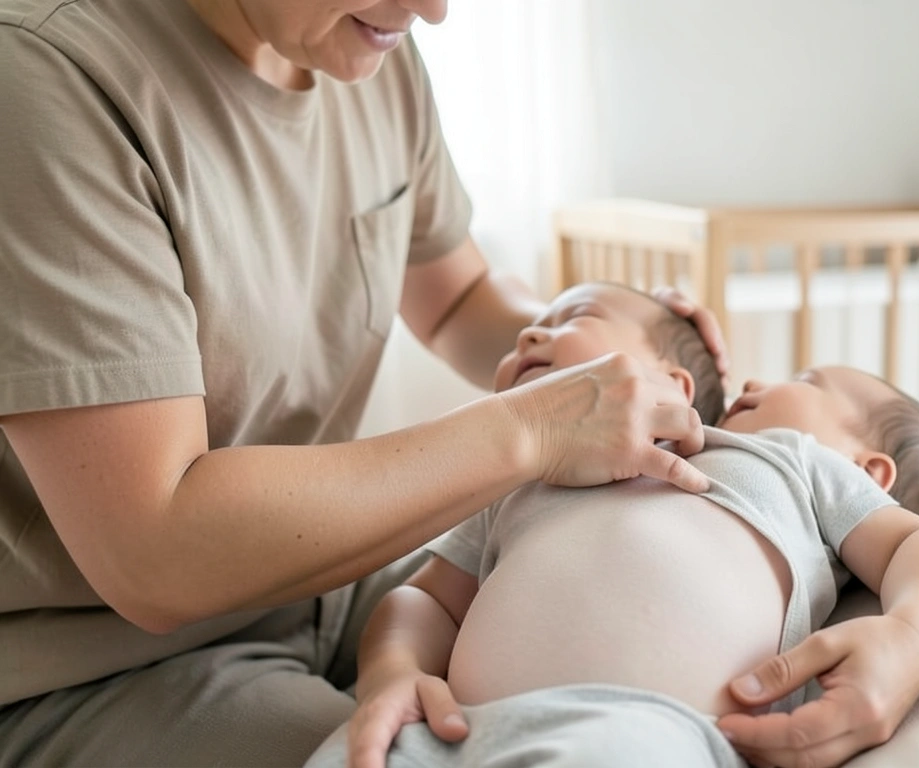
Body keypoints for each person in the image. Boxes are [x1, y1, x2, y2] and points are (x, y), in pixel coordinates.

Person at [0, 2, 727, 765]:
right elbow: (154, 557)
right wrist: (535, 426)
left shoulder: (367, 46)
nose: (434, 11)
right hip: (95, 659)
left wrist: (602, 338)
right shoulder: (49, 78)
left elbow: (457, 300)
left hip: (322, 585)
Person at [312, 282, 919, 768]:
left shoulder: (797, 466)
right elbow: (425, 599)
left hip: (635, 732)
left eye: (805, 379)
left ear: (869, 471)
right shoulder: (523, 475)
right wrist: (393, 671)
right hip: (450, 730)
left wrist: (914, 637)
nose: (527, 336)